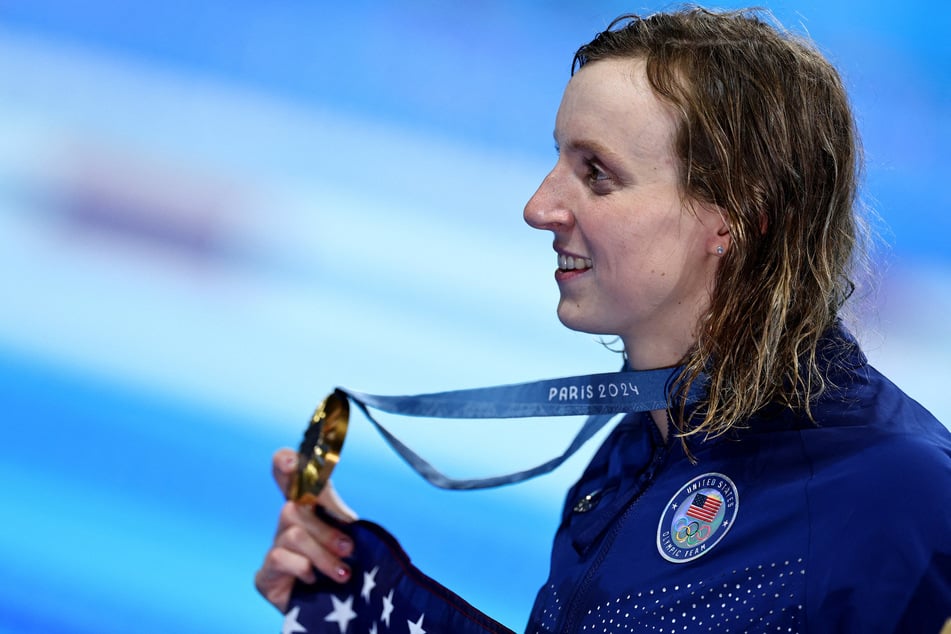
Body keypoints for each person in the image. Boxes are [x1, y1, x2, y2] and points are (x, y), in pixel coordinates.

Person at [256, 7, 951, 632]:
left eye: (597, 175)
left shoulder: (900, 495)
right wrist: (369, 598)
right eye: (558, 157)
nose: (538, 206)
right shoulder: (642, 442)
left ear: (735, 217)